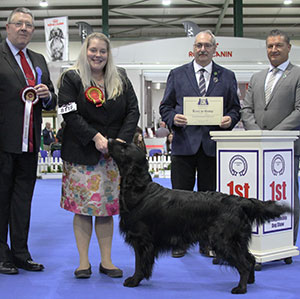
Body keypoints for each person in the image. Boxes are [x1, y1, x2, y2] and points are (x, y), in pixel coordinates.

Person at [57, 32, 139, 279]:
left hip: (111, 157)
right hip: (81, 153)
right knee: (82, 210)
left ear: (108, 54)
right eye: (93, 50)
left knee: (106, 210)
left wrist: (119, 142)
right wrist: (95, 137)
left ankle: (107, 261)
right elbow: (68, 112)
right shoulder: (71, 78)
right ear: (86, 51)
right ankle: (83, 262)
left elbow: (133, 111)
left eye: (103, 51)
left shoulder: (121, 77)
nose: (98, 55)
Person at [159, 30, 241, 258]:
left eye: (207, 45)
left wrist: (230, 120)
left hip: (213, 148)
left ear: (215, 48)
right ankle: (179, 241)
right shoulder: (177, 74)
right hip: (183, 146)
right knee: (178, 199)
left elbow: (235, 108)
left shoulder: (227, 76)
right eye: (198, 45)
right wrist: (172, 119)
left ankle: (207, 242)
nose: (202, 49)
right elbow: (165, 107)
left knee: (210, 201)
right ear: (193, 49)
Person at [0, 7, 57, 274]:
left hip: (31, 143)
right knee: (2, 199)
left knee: (23, 200)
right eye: (19, 23)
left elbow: (52, 102)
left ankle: (21, 253)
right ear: (7, 27)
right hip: (3, 142)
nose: (24, 28)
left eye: (29, 25)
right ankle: (2, 254)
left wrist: (47, 95)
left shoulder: (38, 59)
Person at [241, 29, 300, 246]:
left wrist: (271, 137)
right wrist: (257, 134)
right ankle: (255, 243)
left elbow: (299, 111)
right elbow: (245, 109)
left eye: (278, 46)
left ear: (288, 48)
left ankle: (285, 243)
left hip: (285, 149)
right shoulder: (257, 78)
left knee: (287, 196)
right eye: (270, 46)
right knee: (257, 199)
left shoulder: (298, 74)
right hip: (256, 150)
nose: (273, 50)